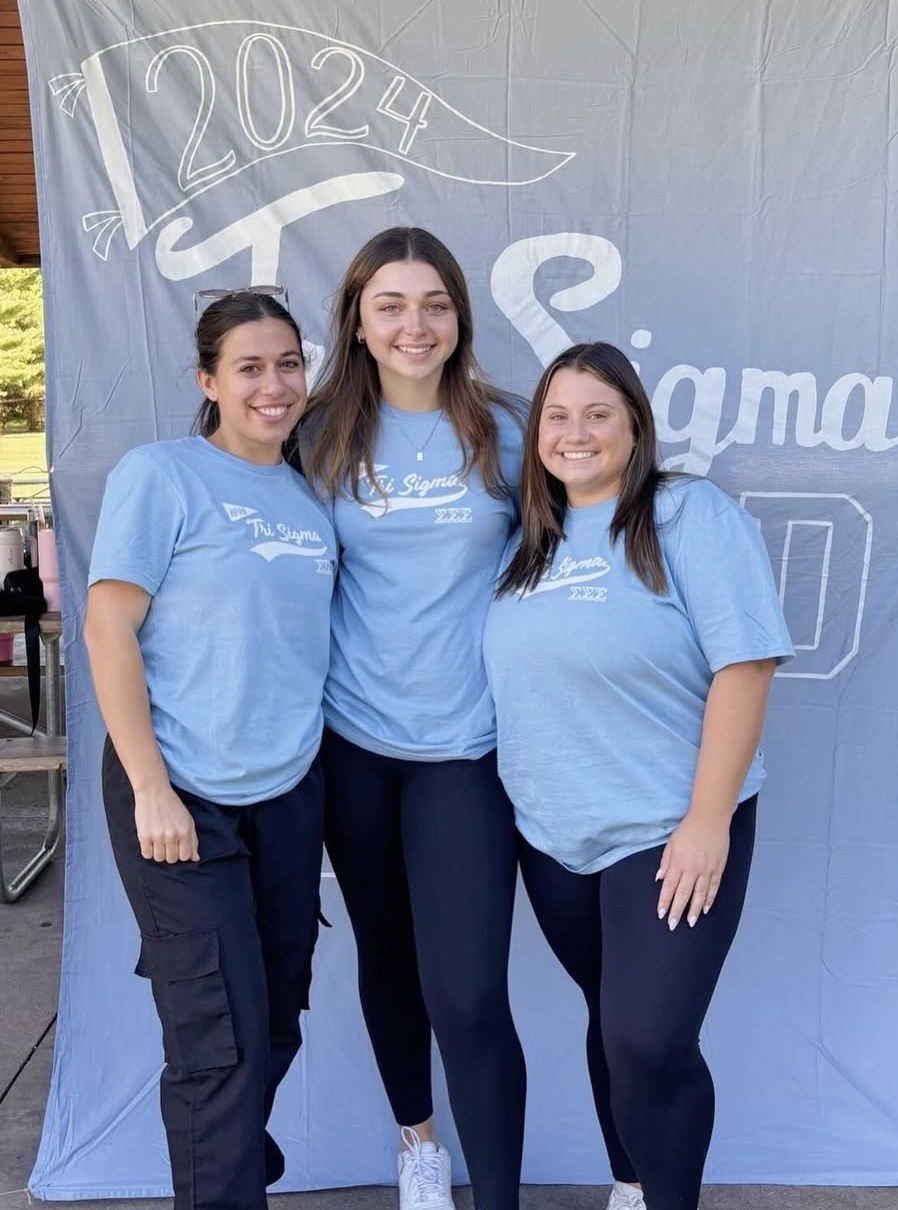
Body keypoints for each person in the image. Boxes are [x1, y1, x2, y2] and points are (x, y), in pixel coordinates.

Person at [483, 342, 794, 1210]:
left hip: (667, 825)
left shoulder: (687, 514)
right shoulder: (525, 538)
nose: (574, 433)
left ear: (634, 427)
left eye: (597, 414)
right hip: (551, 832)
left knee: (647, 1037)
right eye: (556, 415)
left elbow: (746, 665)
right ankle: (631, 1185)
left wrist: (707, 822)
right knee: (610, 1019)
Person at [84, 289, 335, 1210]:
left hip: (287, 794)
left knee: (274, 1016)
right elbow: (109, 630)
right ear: (208, 380)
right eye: (249, 367)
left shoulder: (314, 492)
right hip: (179, 791)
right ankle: (222, 1181)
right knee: (214, 1036)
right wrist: (151, 787)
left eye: (288, 364)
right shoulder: (163, 475)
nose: (274, 386)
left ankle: (226, 1158)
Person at [299, 227, 527, 1210]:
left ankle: (499, 1196)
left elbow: (583, 543)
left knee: (468, 992)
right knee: (387, 959)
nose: (413, 323)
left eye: (432, 303)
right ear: (356, 318)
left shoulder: (507, 432)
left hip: (465, 751)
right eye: (389, 304)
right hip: (350, 748)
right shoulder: (311, 436)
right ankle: (418, 1148)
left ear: (459, 316)